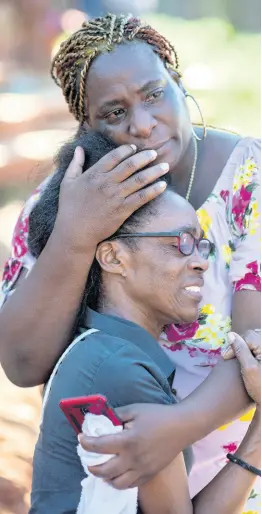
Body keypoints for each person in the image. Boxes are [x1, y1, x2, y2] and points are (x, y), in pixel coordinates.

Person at [0, 13, 260, 511]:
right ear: (87, 127)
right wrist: (76, 235)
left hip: (235, 481)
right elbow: (22, 362)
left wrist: (175, 427)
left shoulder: (249, 179)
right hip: (111, 488)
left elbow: (256, 347)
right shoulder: (59, 203)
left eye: (155, 94)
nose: (142, 124)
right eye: (114, 113)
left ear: (178, 82)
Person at [28, 129, 260, 514]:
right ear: (115, 258)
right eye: (180, 243)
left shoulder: (99, 350)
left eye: (202, 244)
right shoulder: (121, 371)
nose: (201, 261)